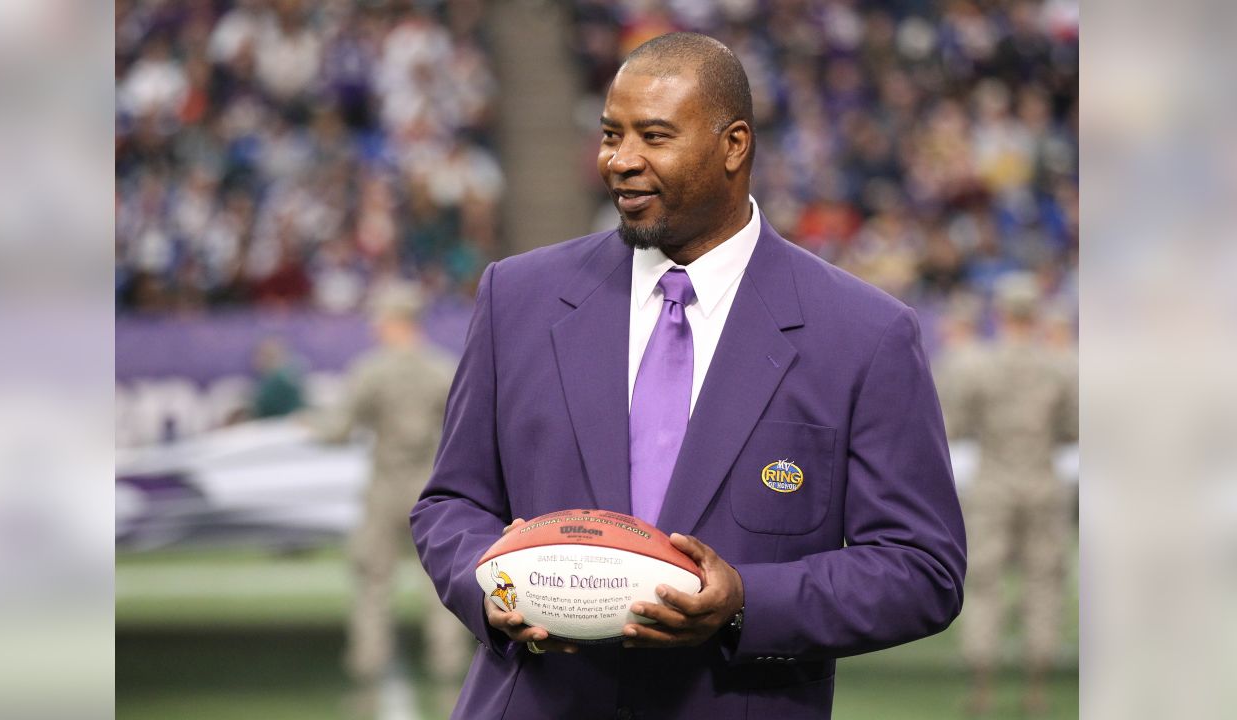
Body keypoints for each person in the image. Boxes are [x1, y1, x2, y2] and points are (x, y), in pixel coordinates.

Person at [411, 33, 966, 719]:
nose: (620, 160)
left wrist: (746, 601)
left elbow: (922, 569)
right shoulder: (515, 298)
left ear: (734, 146)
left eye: (654, 136)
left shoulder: (865, 334)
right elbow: (448, 505)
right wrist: (495, 587)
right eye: (612, 134)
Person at [313, 282, 470, 717]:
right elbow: (464, 433)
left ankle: (368, 662)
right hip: (432, 490)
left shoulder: (371, 370)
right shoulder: (442, 368)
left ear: (394, 321)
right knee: (439, 584)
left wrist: (306, 426)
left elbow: (340, 429)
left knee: (371, 581)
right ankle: (448, 661)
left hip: (384, 488)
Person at [940, 272, 1078, 716]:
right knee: (1044, 581)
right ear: (1036, 313)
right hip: (1042, 480)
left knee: (984, 584)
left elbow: (955, 426)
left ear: (999, 312)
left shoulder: (973, 364)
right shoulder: (1062, 366)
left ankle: (982, 687)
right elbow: (1074, 429)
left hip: (993, 482)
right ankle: (1036, 688)